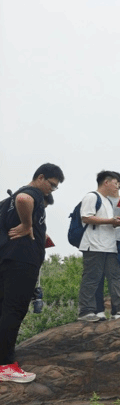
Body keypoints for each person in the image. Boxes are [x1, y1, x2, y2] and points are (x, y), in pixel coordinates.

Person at [0, 163, 64, 383]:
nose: (51, 190)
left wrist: (35, 231)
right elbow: (24, 200)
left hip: (6, 259)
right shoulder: (32, 193)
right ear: (41, 177)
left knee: (4, 310)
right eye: (52, 185)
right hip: (22, 262)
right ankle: (6, 366)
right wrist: (28, 225)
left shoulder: (6, 202)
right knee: (14, 311)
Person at [77, 171, 120, 322]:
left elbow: (107, 222)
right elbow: (86, 217)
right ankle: (85, 311)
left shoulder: (107, 201)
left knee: (115, 276)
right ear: (106, 182)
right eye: (115, 183)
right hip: (94, 245)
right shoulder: (92, 197)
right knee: (92, 278)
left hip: (109, 245)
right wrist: (111, 221)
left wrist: (118, 222)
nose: (117, 187)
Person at [94, 172, 120, 320]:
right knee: (98, 276)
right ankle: (98, 310)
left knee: (118, 276)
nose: (116, 186)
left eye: (118, 183)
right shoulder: (100, 199)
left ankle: (116, 311)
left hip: (119, 240)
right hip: (102, 240)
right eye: (114, 182)